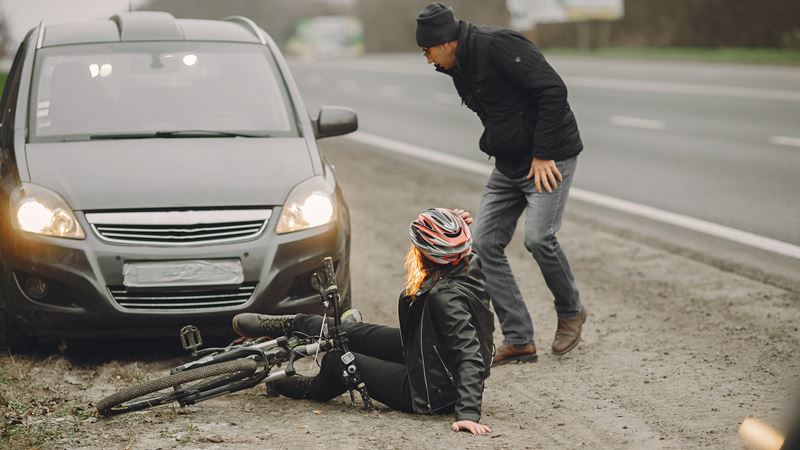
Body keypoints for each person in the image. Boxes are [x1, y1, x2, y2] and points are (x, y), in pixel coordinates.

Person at [415, 2, 587, 365]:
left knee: (539, 238)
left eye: (427, 51)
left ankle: (571, 310)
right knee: (483, 244)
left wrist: (542, 153)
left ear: (446, 42)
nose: (427, 60)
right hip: (509, 165)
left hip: (547, 159)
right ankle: (520, 338)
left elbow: (553, 90)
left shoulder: (498, 45)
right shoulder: (459, 66)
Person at [232, 208, 495, 435]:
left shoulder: (446, 298)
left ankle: (303, 387)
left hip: (429, 390)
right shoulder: (468, 262)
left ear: (426, 254)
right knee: (349, 331)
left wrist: (468, 414)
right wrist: (451, 226)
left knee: (338, 360)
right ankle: (287, 324)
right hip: (427, 353)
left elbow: (469, 353)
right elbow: (456, 247)